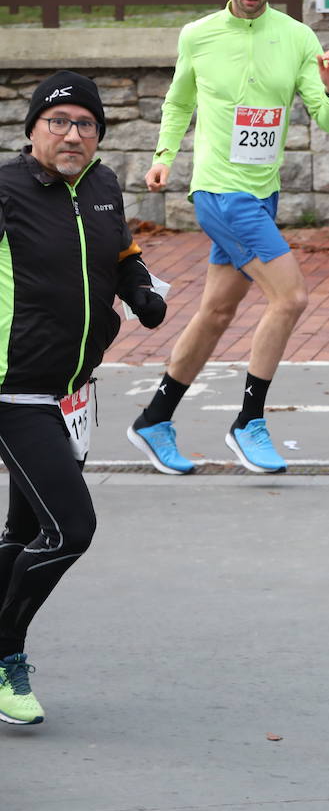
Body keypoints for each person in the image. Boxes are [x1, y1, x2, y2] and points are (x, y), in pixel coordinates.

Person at [128, 0, 329, 475]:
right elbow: (178, 103)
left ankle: (155, 419)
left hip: (262, 194)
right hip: (219, 192)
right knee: (290, 297)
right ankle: (249, 420)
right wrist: (163, 156)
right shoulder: (198, 36)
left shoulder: (296, 38)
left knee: (217, 311)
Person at [0, 71, 167, 725]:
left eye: (86, 124)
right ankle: (5, 651)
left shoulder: (99, 184)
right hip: (13, 388)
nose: (73, 134)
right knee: (70, 529)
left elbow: (120, 248)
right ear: (33, 129)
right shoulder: (6, 190)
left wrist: (141, 287)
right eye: (59, 121)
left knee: (23, 531)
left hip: (72, 389)